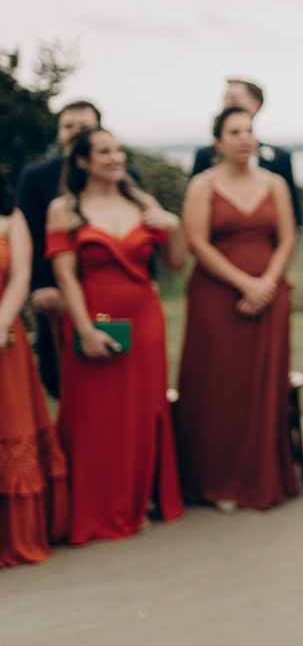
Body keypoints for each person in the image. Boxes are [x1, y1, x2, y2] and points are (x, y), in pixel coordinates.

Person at [46, 128, 187, 543]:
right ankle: (95, 506)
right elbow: (65, 276)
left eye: (118, 149)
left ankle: (135, 501)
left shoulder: (143, 204)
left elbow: (177, 264)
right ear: (83, 161)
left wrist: (174, 226)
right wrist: (85, 330)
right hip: (91, 318)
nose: (116, 157)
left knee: (142, 412)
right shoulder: (65, 209)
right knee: (94, 416)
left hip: (144, 320)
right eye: (104, 151)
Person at [175, 107, 298, 512]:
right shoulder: (203, 185)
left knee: (263, 386)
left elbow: (286, 238)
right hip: (218, 297)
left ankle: (259, 476)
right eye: (234, 131)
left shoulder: (275, 183)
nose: (245, 137)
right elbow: (198, 242)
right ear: (218, 142)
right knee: (219, 390)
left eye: (249, 130)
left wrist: (267, 283)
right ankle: (216, 480)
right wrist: (245, 283)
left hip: (269, 293)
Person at [17, 101, 141, 399]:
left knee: (122, 364)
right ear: (59, 133)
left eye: (83, 127)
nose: (74, 132)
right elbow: (30, 234)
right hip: (57, 287)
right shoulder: (35, 177)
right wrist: (42, 285)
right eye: (67, 126)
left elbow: (138, 232)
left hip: (114, 282)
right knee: (61, 370)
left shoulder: (125, 175)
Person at [0, 172, 69, 567]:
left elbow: (20, 274)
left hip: (5, 338)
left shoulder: (10, 217)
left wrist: (3, 322)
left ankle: (17, 534)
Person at [191, 79, 299, 224]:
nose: (225, 104)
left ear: (254, 106)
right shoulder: (205, 156)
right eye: (224, 99)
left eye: (233, 99)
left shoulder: (280, 159)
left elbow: (292, 218)